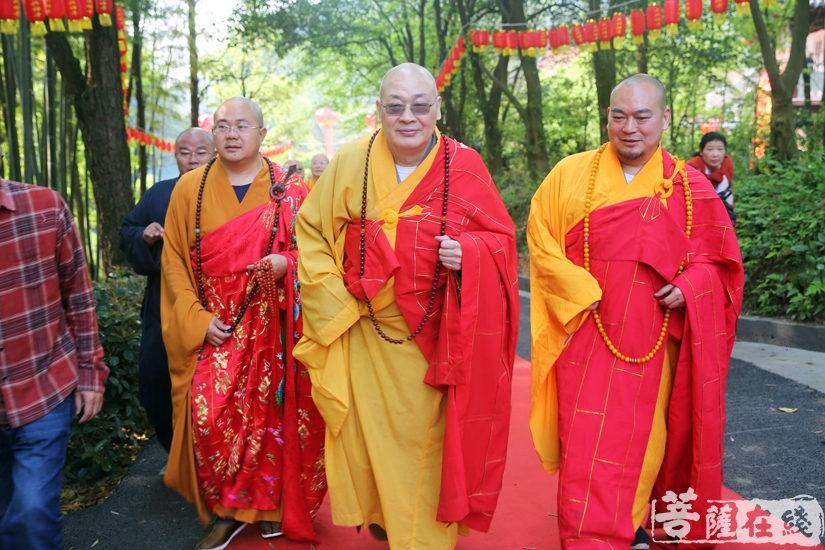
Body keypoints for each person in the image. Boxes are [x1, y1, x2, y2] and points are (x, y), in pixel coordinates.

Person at [295, 63, 519, 549]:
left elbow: (500, 238)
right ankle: (388, 517)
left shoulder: (464, 164)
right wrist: (334, 301)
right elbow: (311, 230)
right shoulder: (352, 159)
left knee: (425, 446)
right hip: (364, 328)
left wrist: (471, 253)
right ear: (379, 111)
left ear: (438, 108)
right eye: (395, 106)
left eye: (420, 105)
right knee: (369, 437)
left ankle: (420, 538)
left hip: (434, 335)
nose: (408, 116)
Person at [528, 74, 744, 550]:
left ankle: (628, 526)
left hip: (651, 340)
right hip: (587, 331)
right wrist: (578, 288)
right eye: (618, 115)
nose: (630, 127)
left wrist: (691, 286)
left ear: (664, 118)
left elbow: (722, 265)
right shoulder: (570, 174)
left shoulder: (689, 188)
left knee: (643, 444)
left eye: (642, 116)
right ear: (606, 116)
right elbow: (540, 240)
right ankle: (586, 537)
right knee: (585, 444)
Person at [161, 97, 326, 550]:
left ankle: (271, 509)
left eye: (241, 126)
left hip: (273, 325)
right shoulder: (189, 189)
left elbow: (317, 253)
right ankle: (226, 510)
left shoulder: (289, 188)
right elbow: (174, 261)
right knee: (210, 417)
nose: (231, 134)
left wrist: (285, 262)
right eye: (222, 126)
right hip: (217, 323)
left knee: (276, 415)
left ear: (262, 133)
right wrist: (197, 318)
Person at [0, 177, 109, 549]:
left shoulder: (44, 207)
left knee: (32, 514)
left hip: (42, 388)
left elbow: (78, 293)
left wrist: (92, 372)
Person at [119, 128, 215, 458]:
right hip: (165, 301)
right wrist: (144, 235)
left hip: (217, 303)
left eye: (200, 152)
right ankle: (176, 452)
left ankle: (216, 457)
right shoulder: (159, 194)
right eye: (184, 152)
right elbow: (127, 229)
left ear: (214, 153)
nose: (192, 159)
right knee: (158, 376)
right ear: (175, 155)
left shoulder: (230, 191)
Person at [686, 131, 735, 225]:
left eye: (720, 149)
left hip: (725, 216)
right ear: (701, 151)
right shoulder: (691, 169)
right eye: (710, 149)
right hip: (698, 219)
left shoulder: (727, 166)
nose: (715, 154)